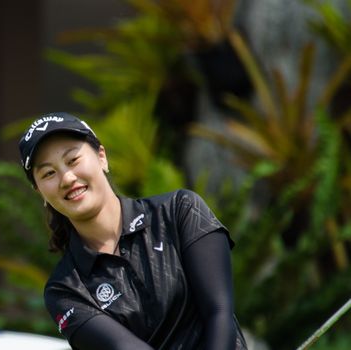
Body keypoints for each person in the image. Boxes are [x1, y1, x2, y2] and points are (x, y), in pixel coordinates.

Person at [18, 112, 247, 350]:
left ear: (101, 157)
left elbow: (218, 313)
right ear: (39, 192)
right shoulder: (65, 289)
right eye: (48, 173)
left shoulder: (179, 211)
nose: (67, 178)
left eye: (73, 160)